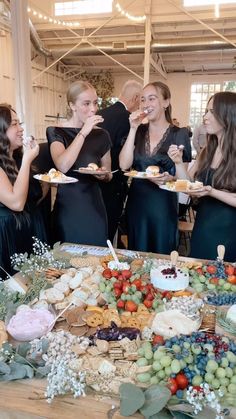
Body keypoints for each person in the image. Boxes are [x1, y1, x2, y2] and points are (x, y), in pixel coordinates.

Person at [119, 81, 192, 254]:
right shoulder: (138, 131)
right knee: (137, 256)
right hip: (137, 204)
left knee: (162, 258)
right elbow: (124, 165)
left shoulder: (179, 134)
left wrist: (172, 177)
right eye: (143, 100)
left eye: (152, 99)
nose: (146, 104)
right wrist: (132, 128)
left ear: (166, 102)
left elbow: (185, 182)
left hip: (163, 206)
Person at [168, 91, 236, 262]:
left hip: (229, 233)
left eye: (212, 111)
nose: (205, 116)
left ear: (228, 114)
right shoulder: (208, 150)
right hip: (203, 229)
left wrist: (212, 192)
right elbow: (188, 184)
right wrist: (177, 162)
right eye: (206, 111)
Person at [46, 80, 112, 246]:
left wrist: (103, 175)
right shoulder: (56, 131)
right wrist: (84, 132)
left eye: (95, 103)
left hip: (94, 208)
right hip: (68, 208)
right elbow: (63, 165)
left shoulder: (102, 135)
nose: (93, 109)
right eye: (86, 104)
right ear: (72, 105)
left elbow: (109, 174)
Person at [98, 80, 142, 242]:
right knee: (108, 232)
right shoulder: (127, 119)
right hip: (114, 184)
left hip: (94, 183)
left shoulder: (101, 114)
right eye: (142, 100)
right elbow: (126, 157)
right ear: (136, 97)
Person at [0, 104, 40, 277]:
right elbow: (16, 203)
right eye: (14, 124)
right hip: (5, 239)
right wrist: (27, 160)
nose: (21, 129)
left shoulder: (14, 159)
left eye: (19, 123)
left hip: (21, 235)